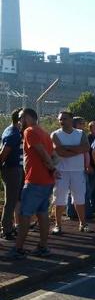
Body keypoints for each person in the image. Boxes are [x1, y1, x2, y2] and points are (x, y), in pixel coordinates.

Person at [6, 108, 56, 259]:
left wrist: (51, 167)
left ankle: (18, 248)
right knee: (42, 214)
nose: (19, 121)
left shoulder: (30, 132)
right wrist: (53, 169)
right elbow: (54, 154)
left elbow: (42, 152)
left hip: (35, 180)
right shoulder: (44, 133)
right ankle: (42, 246)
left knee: (24, 214)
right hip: (46, 181)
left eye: (21, 118)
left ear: (27, 117)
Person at [50, 111, 91, 234]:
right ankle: (58, 225)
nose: (62, 121)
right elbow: (61, 153)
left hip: (78, 171)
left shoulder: (80, 133)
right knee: (59, 199)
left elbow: (86, 148)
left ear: (71, 119)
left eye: (64, 119)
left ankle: (83, 224)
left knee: (80, 199)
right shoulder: (55, 134)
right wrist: (77, 149)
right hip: (61, 171)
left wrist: (67, 148)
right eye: (60, 119)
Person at [0, 108, 23, 240]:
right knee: (11, 201)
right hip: (12, 169)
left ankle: (9, 226)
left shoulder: (12, 130)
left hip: (13, 168)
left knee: (13, 200)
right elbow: (4, 153)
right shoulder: (13, 133)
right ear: (20, 120)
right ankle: (7, 229)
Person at [86, 121, 95, 215]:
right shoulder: (88, 138)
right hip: (91, 166)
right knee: (91, 188)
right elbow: (86, 153)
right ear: (90, 129)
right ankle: (90, 207)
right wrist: (89, 166)